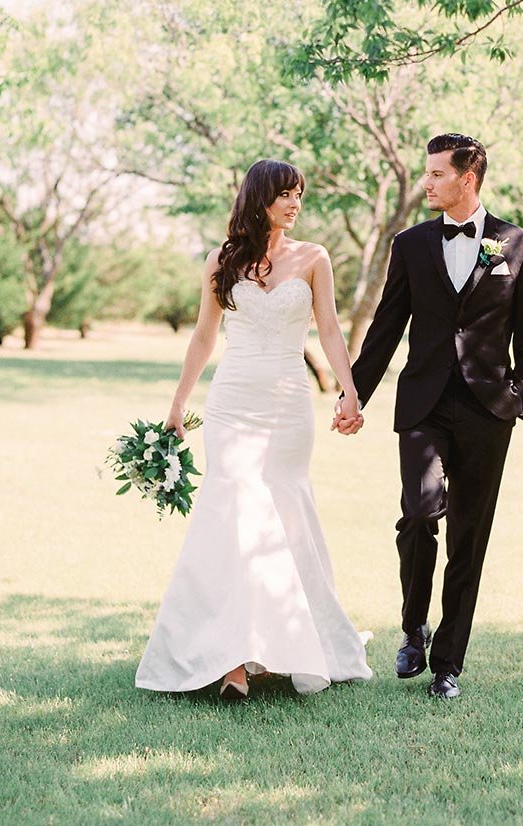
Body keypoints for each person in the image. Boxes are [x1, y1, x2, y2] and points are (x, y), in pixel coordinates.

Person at [136, 159, 372, 700]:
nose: (295, 203)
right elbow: (202, 335)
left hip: (289, 405)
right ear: (259, 197)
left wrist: (349, 388)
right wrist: (177, 403)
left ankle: (281, 644)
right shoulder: (221, 261)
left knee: (284, 513)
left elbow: (331, 328)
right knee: (233, 513)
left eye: (299, 194)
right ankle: (234, 657)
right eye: (285, 194)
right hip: (232, 402)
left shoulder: (314, 258)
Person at [338, 133, 523, 699]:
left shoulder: (519, 246)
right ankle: (413, 629)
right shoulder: (410, 245)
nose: (426, 183)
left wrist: (518, 401)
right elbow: (386, 326)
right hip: (423, 405)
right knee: (418, 513)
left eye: (435, 174)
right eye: (426, 173)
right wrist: (352, 393)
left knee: (469, 537)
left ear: (468, 178)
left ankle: (448, 665)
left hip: (487, 410)